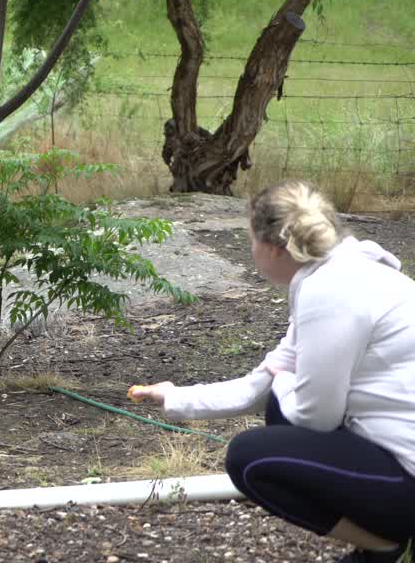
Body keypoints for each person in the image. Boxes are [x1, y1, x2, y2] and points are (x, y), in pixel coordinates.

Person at [129, 180, 415, 563]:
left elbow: (317, 416)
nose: (250, 251)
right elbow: (262, 383)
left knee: (251, 459)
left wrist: (283, 382)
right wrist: (174, 396)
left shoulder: (331, 293)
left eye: (250, 240)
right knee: (279, 411)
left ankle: (383, 546)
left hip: (406, 467)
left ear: (273, 248)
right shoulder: (339, 272)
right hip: (393, 450)